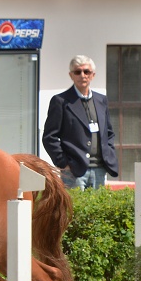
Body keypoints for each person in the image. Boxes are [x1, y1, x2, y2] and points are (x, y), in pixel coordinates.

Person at [42, 55, 119, 190]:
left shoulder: (101, 100)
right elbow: (50, 137)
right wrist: (63, 163)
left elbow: (109, 133)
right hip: (74, 171)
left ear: (93, 75)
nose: (82, 75)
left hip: (100, 169)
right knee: (75, 209)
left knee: (98, 210)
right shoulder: (60, 101)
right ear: (71, 75)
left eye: (86, 72)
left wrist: (109, 154)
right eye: (78, 72)